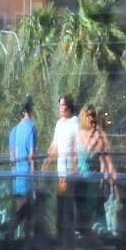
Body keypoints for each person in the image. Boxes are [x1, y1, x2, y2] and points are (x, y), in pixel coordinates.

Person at [43, 96, 81, 240]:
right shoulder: (59, 124)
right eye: (59, 105)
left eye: (63, 105)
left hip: (69, 170)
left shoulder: (75, 121)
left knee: (69, 202)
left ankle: (70, 234)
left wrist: (74, 164)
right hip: (60, 171)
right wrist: (46, 165)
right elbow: (54, 145)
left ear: (69, 106)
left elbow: (77, 143)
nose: (60, 108)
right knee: (60, 200)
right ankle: (60, 233)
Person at [76, 105, 117, 236]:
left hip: (92, 177)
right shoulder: (79, 134)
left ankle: (91, 231)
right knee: (80, 206)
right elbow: (78, 155)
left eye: (93, 116)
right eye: (88, 116)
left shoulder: (98, 136)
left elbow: (104, 159)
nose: (90, 119)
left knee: (91, 206)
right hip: (79, 176)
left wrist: (104, 178)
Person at [5, 99, 37, 239]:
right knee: (28, 212)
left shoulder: (14, 130)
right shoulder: (31, 127)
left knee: (19, 209)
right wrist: (35, 178)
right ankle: (25, 240)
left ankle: (10, 236)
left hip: (17, 177)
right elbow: (32, 156)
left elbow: (12, 157)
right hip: (27, 176)